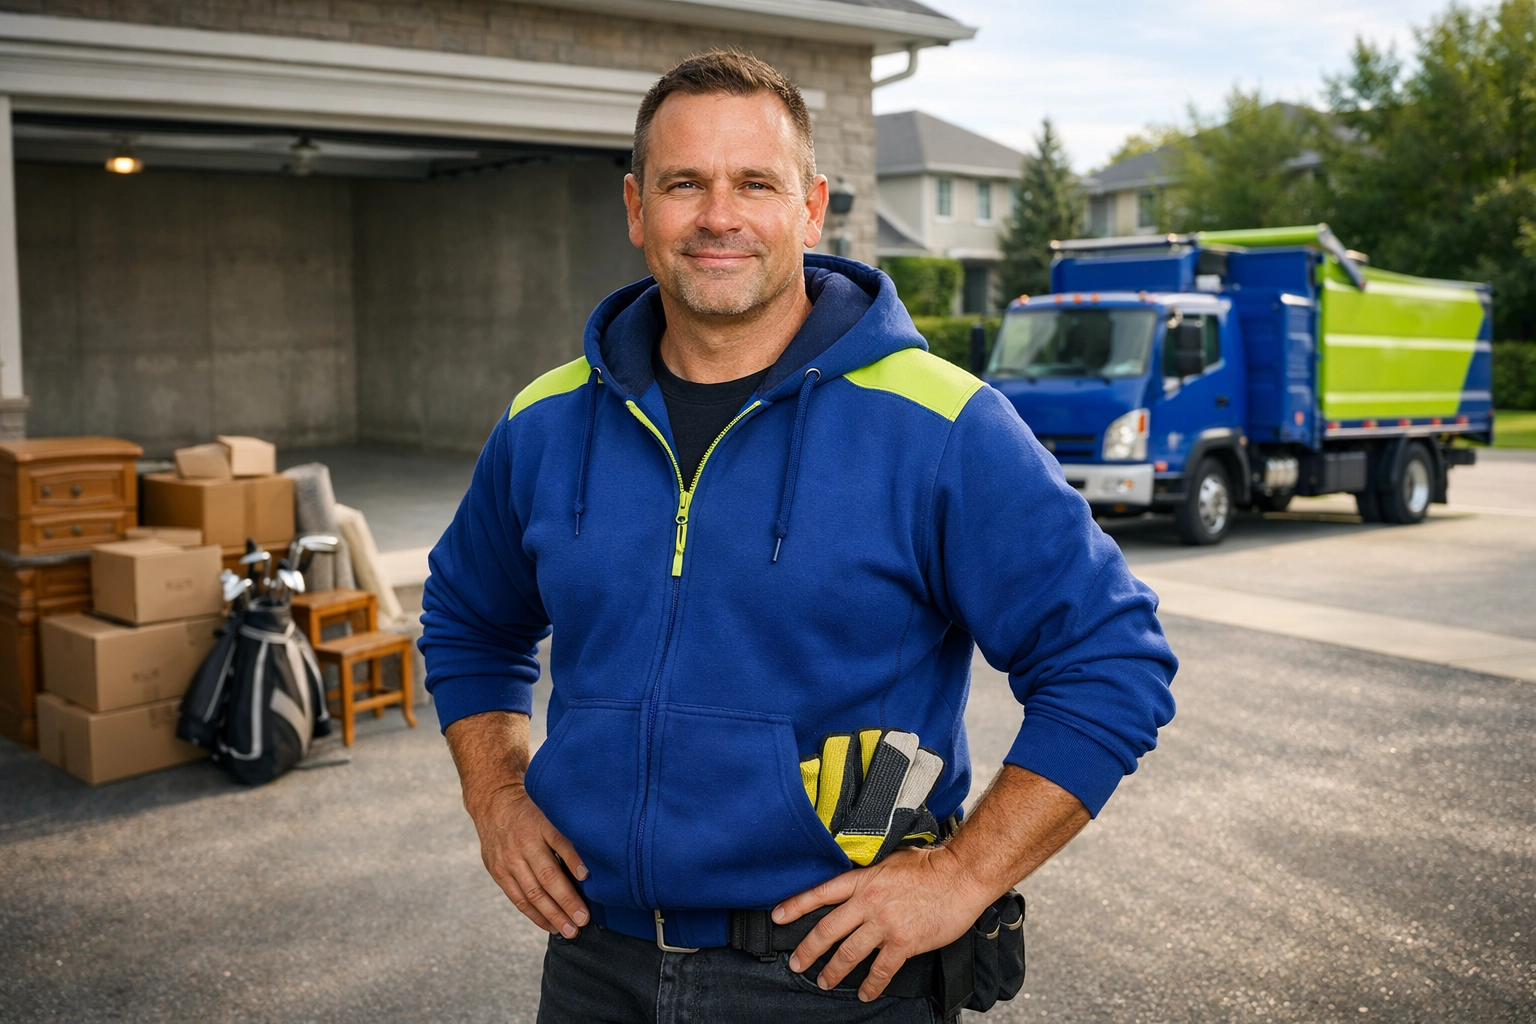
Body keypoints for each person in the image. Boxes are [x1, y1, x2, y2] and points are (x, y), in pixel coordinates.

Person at [420, 50, 1177, 1024]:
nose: (718, 216)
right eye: (684, 182)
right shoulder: (543, 422)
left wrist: (964, 872)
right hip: (594, 966)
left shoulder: (941, 426)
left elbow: (1111, 659)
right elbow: (470, 619)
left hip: (834, 981)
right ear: (635, 207)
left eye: (755, 183)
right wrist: (496, 796)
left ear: (812, 208)